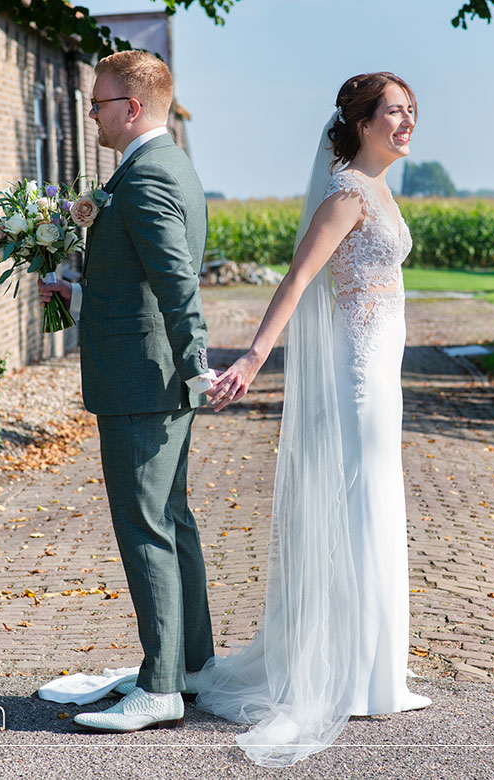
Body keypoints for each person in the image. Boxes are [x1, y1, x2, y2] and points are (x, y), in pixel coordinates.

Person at [195, 71, 431, 767]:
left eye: (412, 111)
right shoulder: (346, 194)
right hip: (357, 380)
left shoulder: (382, 188)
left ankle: (379, 671)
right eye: (395, 111)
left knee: (378, 506)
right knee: (359, 509)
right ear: (361, 122)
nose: (408, 121)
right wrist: (254, 357)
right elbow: (297, 280)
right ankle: (350, 674)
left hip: (382, 378)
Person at [35, 50, 219, 734]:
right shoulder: (168, 167)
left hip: (145, 383)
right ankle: (192, 664)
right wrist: (80, 293)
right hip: (152, 374)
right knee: (173, 521)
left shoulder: (142, 180)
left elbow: (176, 282)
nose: (92, 114)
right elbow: (140, 282)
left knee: (146, 529)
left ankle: (161, 687)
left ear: (132, 107)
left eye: (99, 104)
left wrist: (198, 360)